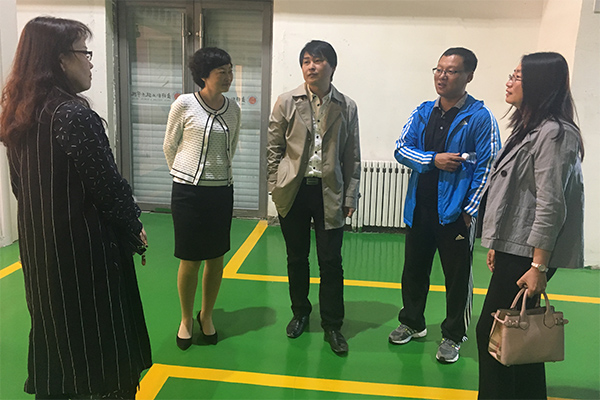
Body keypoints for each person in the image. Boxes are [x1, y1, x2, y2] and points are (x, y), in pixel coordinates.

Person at [0, 16, 152, 399]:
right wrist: (134, 227)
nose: (90, 62)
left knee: (56, 335)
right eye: (85, 53)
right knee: (100, 343)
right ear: (61, 59)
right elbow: (107, 187)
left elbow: (20, 187)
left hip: (41, 253)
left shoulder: (21, 113)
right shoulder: (73, 115)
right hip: (86, 255)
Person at [476, 52, 584, 399]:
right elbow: (516, 195)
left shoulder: (553, 134)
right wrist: (498, 242)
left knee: (497, 334)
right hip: (517, 247)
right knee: (518, 336)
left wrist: (538, 266)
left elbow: (550, 204)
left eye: (518, 76)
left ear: (539, 84)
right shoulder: (529, 129)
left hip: (530, 254)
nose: (509, 82)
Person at [391, 47, 500, 363]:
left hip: (455, 214)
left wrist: (470, 211)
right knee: (414, 271)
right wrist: (432, 160)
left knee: (457, 279)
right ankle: (412, 322)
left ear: (468, 76)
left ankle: (453, 335)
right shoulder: (423, 112)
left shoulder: (479, 118)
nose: (442, 76)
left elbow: (489, 167)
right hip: (419, 209)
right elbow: (401, 149)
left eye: (450, 71)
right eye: (438, 70)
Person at [267, 40, 361, 355]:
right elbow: (273, 147)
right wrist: (274, 185)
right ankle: (300, 313)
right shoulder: (286, 101)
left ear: (331, 67)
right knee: (296, 257)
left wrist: (350, 195)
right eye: (306, 60)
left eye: (318, 60)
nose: (311, 66)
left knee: (331, 261)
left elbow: (352, 155)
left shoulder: (346, 106)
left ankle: (332, 324)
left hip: (329, 191)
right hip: (294, 190)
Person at [163, 47, 240, 350]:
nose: (228, 77)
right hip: (188, 193)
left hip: (221, 191)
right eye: (222, 72)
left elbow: (232, 147)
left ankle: (206, 315)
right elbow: (170, 145)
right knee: (190, 258)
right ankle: (186, 319)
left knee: (216, 257)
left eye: (230, 71)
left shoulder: (234, 108)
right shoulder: (184, 104)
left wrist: (217, 174)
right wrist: (185, 175)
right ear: (204, 75)